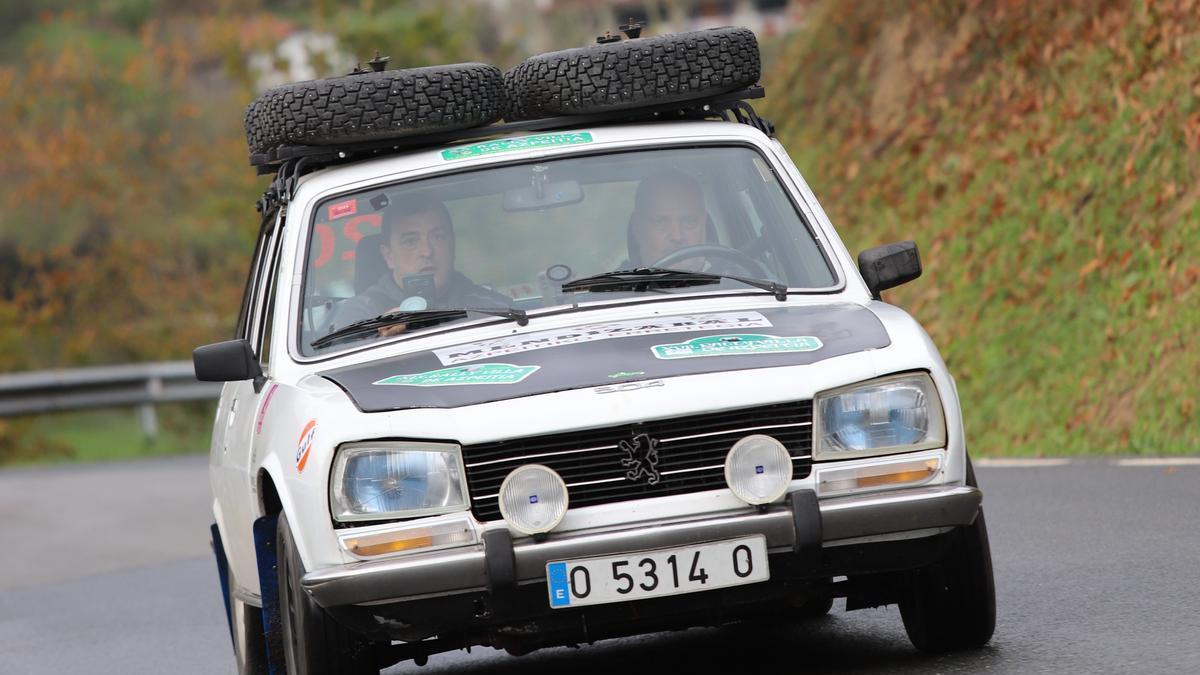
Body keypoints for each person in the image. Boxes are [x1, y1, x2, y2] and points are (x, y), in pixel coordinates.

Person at [329, 195, 508, 335]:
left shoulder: (488, 307)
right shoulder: (359, 315)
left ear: (452, 246)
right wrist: (378, 337)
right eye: (410, 241)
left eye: (438, 237)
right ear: (388, 255)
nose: (426, 251)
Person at [625, 170, 714, 269]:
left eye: (690, 221)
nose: (677, 236)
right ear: (638, 229)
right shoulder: (614, 283)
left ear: (704, 224)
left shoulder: (732, 278)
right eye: (660, 222)